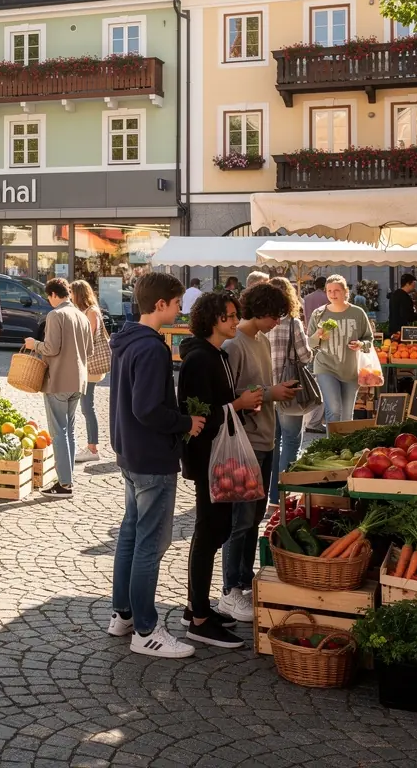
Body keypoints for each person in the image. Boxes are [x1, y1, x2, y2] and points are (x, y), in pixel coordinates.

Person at [108, 272, 204, 658]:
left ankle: (124, 615)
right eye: (177, 303)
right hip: (151, 457)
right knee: (148, 544)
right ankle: (146, 629)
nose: (180, 309)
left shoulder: (128, 340)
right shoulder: (151, 348)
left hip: (132, 454)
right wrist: (186, 422)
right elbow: (147, 408)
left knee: (131, 537)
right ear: (160, 304)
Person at [178, 291, 263, 649]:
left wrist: (239, 405)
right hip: (208, 457)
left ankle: (197, 608)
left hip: (220, 456)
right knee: (209, 531)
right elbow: (196, 412)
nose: (234, 320)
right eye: (229, 316)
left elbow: (218, 403)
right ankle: (198, 616)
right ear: (213, 319)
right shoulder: (199, 358)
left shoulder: (218, 354)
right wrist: (237, 404)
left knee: (216, 530)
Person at [220, 283, 299, 622]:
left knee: (254, 518)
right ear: (262, 311)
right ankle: (229, 589)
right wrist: (270, 392)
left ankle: (243, 579)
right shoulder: (233, 344)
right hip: (245, 443)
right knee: (240, 521)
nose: (277, 324)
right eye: (275, 317)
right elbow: (232, 394)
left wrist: (275, 393)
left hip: (265, 438)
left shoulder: (262, 341)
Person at [24, 278, 92, 499]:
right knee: (69, 431)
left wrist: (34, 344)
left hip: (59, 380)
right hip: (79, 381)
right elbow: (89, 350)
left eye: (48, 297)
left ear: (54, 295)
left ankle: (64, 484)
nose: (48, 301)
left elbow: (51, 348)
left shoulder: (56, 315)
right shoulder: (81, 315)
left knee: (59, 432)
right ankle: (67, 479)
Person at [266, 277, 315, 506]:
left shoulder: (259, 322)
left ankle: (268, 495)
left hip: (265, 390)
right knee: (291, 441)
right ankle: (280, 497)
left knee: (271, 444)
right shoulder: (292, 323)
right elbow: (305, 357)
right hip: (288, 390)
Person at [307, 274, 373, 425]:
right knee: (334, 409)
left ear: (345, 291)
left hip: (351, 370)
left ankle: (345, 446)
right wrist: (318, 334)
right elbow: (310, 344)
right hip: (326, 367)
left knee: (347, 415)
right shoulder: (319, 314)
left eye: (336, 290)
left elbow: (369, 339)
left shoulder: (357, 313)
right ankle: (332, 446)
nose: (332, 294)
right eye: (329, 291)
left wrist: (361, 345)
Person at [71, 279, 105, 463]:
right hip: (84, 365)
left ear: (79, 294)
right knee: (85, 406)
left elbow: (88, 339)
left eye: (71, 292)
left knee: (87, 407)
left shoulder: (91, 312)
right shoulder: (84, 311)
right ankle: (91, 446)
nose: (70, 296)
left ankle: (93, 448)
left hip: (90, 366)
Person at [388, 272, 417, 338]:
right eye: (413, 284)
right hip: (402, 330)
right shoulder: (405, 297)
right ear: (407, 284)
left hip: (392, 328)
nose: (414, 286)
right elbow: (406, 315)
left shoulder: (395, 294)